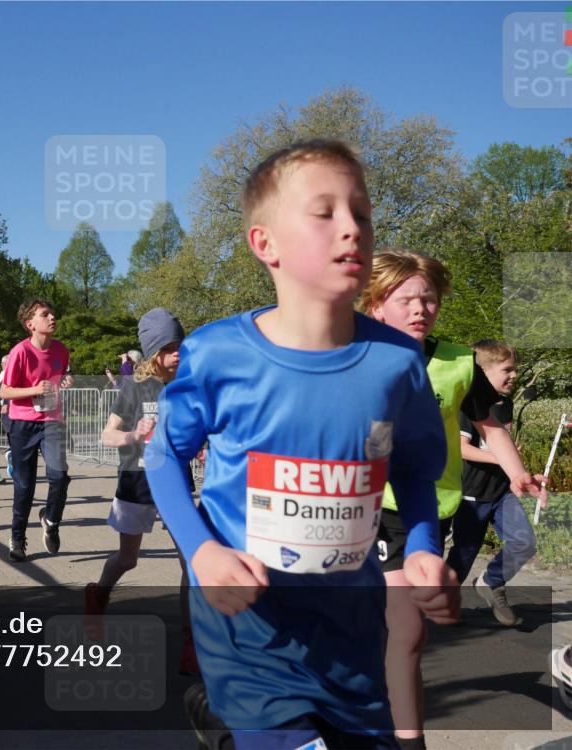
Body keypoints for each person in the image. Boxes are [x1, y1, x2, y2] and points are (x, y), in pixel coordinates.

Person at [145, 139, 459, 749]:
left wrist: (422, 547)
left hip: (350, 630)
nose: (352, 229)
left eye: (362, 213)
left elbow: (416, 471)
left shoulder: (397, 363)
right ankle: (236, 718)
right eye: (324, 213)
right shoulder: (219, 354)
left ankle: (219, 724)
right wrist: (200, 552)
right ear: (266, 244)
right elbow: (163, 454)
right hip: (248, 628)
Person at [359, 250, 547, 749]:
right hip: (356, 507)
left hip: (422, 507)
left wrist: (518, 473)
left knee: (405, 631)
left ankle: (405, 736)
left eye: (431, 299)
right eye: (407, 300)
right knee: (381, 627)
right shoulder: (349, 352)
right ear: (377, 304)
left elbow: (492, 426)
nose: (422, 308)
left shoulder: (459, 361)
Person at [87, 308, 196, 673]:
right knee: (128, 559)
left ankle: (192, 641)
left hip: (176, 482)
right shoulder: (135, 387)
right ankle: (98, 593)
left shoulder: (188, 385)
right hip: (136, 480)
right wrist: (133, 435)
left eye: (179, 344)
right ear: (152, 352)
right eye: (168, 346)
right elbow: (107, 434)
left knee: (189, 561)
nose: (177, 353)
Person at [445, 340, 546, 625]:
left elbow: (503, 446)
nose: (515, 375)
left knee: (524, 542)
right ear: (483, 373)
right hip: (471, 494)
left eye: (515, 369)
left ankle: (492, 581)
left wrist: (522, 473)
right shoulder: (468, 404)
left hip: (502, 492)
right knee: (463, 556)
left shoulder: (506, 404)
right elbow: (463, 449)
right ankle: (437, 602)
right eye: (507, 369)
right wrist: (499, 460)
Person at [0, 299, 73, 563]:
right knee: (24, 487)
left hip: (51, 421)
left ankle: (50, 520)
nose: (52, 317)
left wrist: (64, 381)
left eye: (53, 313)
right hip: (23, 424)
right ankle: (17, 538)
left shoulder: (62, 351)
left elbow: (58, 379)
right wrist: (34, 390)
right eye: (45, 314)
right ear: (30, 324)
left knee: (60, 476)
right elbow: (4, 391)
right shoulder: (20, 351)